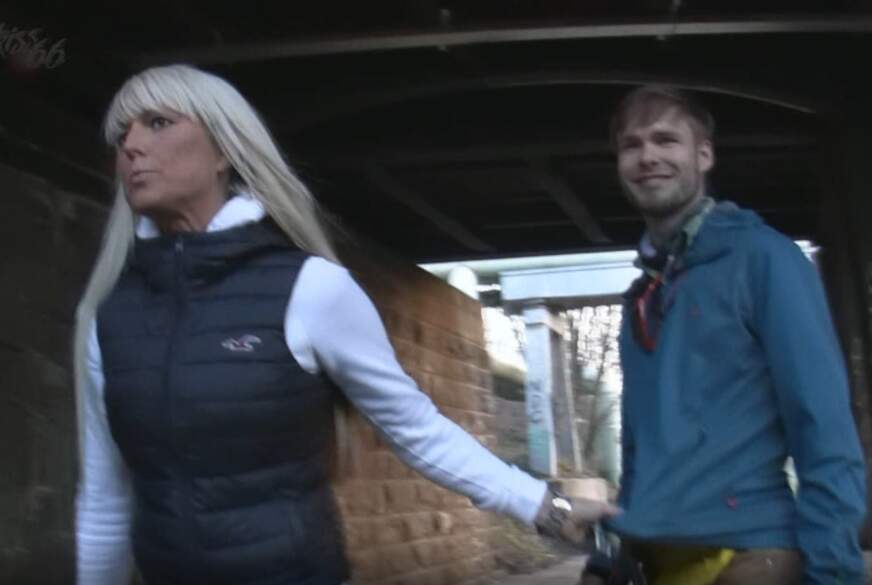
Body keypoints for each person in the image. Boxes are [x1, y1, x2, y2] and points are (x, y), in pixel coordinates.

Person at [73, 64, 617, 585]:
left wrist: (545, 507)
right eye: (121, 133)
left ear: (223, 150)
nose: (131, 145)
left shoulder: (310, 289)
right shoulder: (110, 317)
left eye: (158, 122)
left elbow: (417, 430)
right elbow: (104, 500)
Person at [587, 84, 868, 585]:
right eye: (632, 145)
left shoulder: (766, 260)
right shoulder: (642, 296)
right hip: (660, 558)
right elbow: (639, 446)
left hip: (749, 556)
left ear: (704, 155)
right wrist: (617, 550)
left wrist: (833, 573)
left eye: (665, 139)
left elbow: (822, 427)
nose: (648, 156)